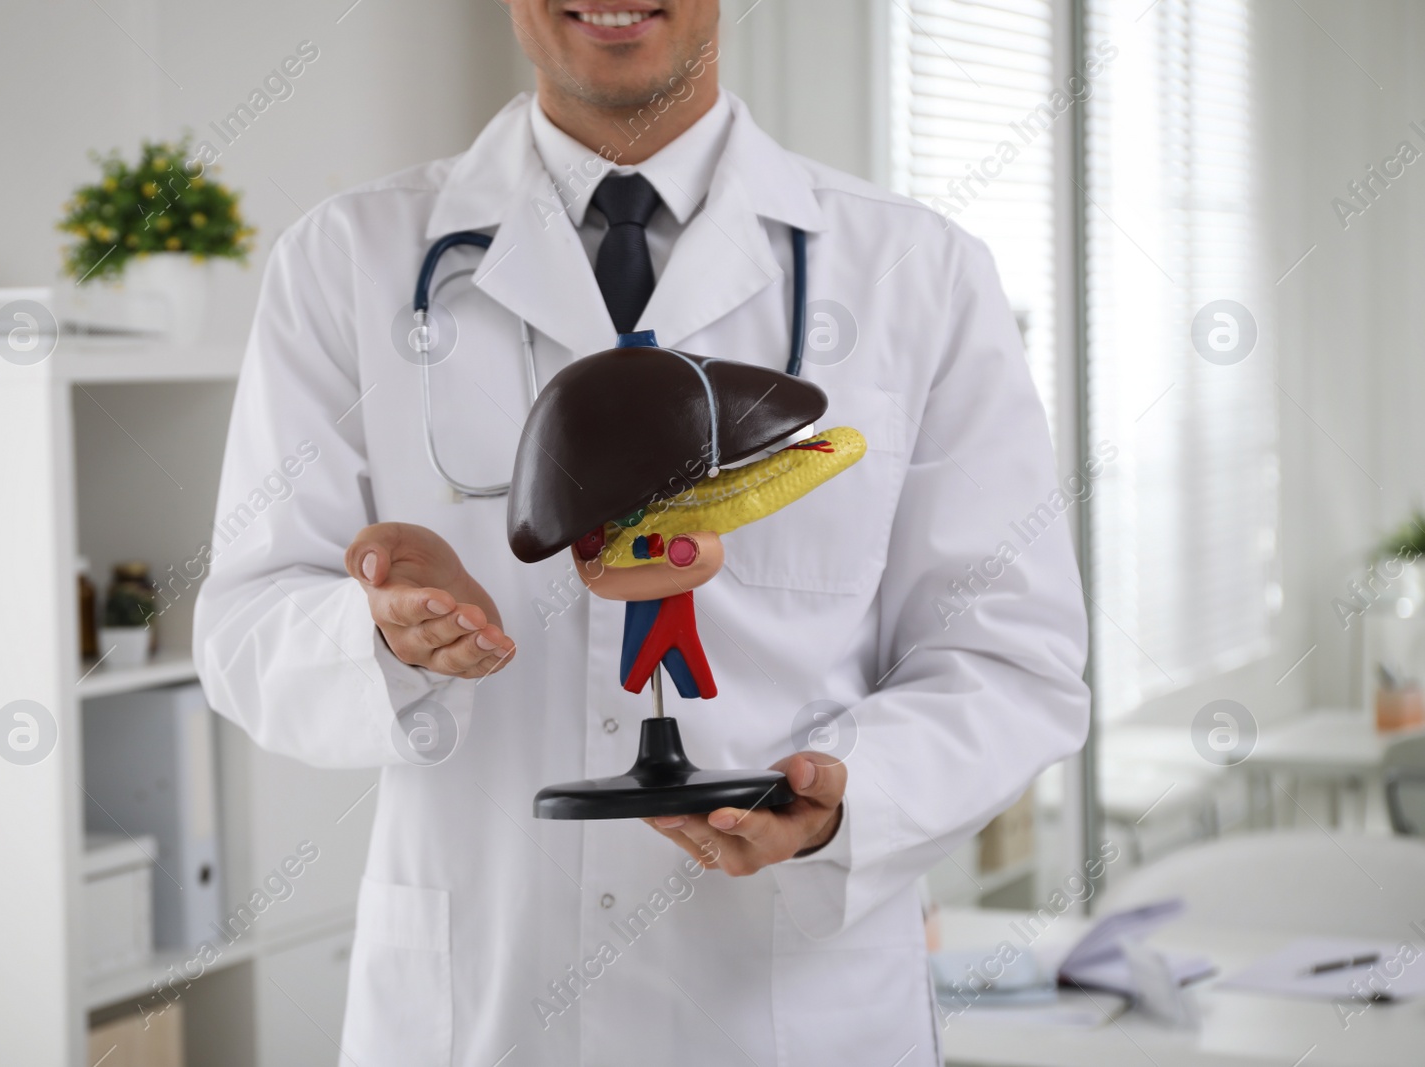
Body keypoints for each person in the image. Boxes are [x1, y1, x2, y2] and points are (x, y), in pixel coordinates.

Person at [193, 2, 1089, 1063]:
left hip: (788, 1013)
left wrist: (850, 799)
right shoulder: (347, 259)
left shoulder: (919, 272)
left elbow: (1009, 657)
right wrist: (381, 632)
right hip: (486, 1007)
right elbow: (246, 623)